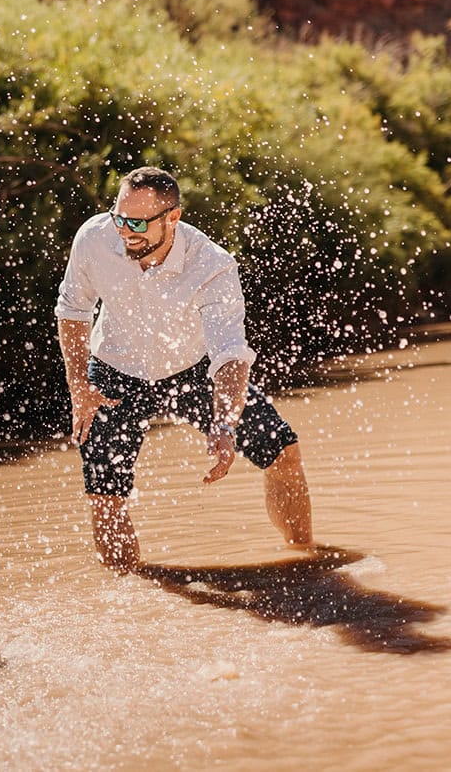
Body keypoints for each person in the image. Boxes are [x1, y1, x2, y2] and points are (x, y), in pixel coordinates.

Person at [55, 167, 314, 570]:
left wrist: (225, 424)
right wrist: (78, 384)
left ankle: (305, 563)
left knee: (283, 454)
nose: (125, 231)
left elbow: (229, 355)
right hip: (112, 371)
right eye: (119, 217)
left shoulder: (212, 265)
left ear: (172, 217)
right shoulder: (94, 237)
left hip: (193, 371)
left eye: (138, 223)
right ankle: (129, 596)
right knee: (105, 495)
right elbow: (73, 309)